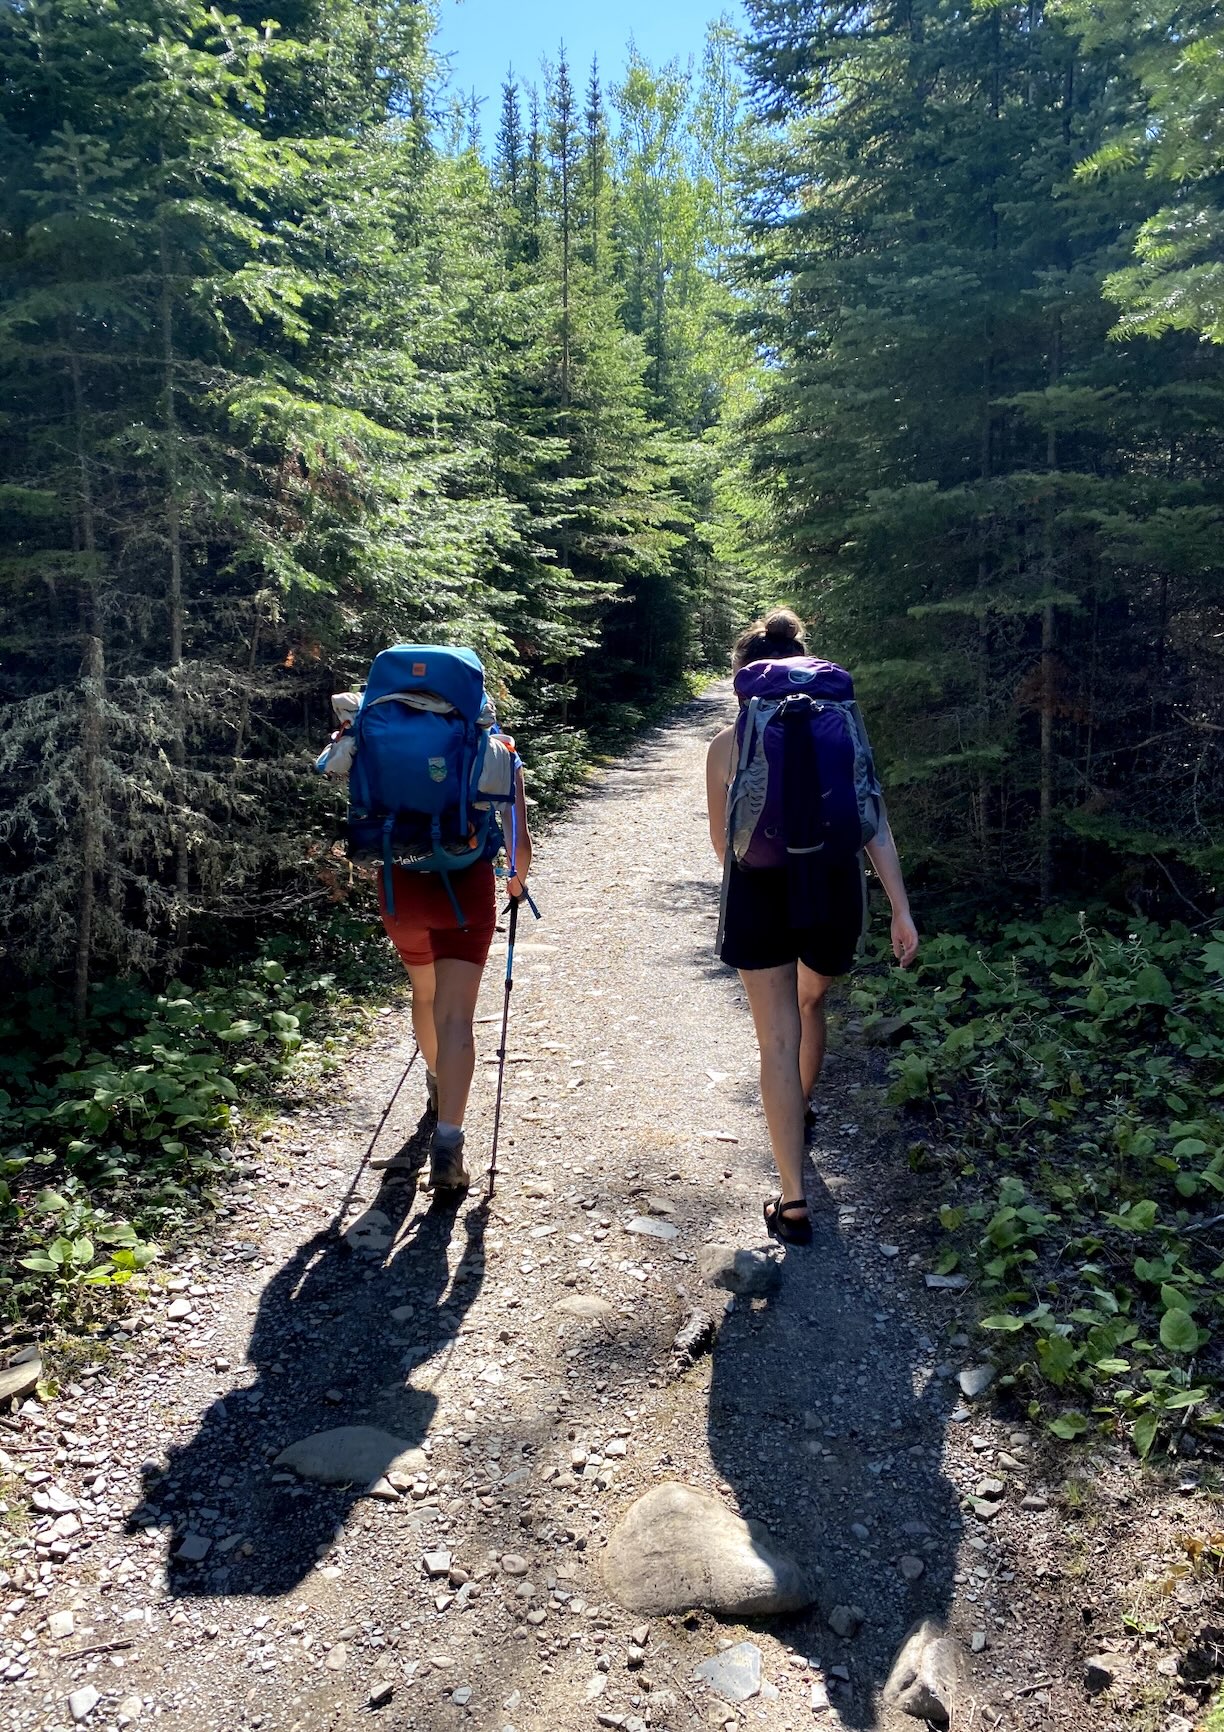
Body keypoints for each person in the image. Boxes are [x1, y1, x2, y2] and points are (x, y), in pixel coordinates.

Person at [705, 608, 918, 1246]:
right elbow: (872, 819)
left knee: (775, 1036)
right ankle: (801, 1104)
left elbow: (725, 848)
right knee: (811, 999)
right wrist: (901, 910)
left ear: (745, 678)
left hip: (759, 890)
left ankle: (793, 1199)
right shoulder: (842, 726)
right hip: (834, 887)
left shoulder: (727, 744)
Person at [377, 762, 532, 1196]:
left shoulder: (385, 731)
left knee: (424, 992)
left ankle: (434, 1079)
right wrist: (515, 884)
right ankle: (447, 1146)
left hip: (400, 886)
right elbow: (519, 846)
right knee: (456, 1016)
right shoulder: (495, 749)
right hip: (465, 893)